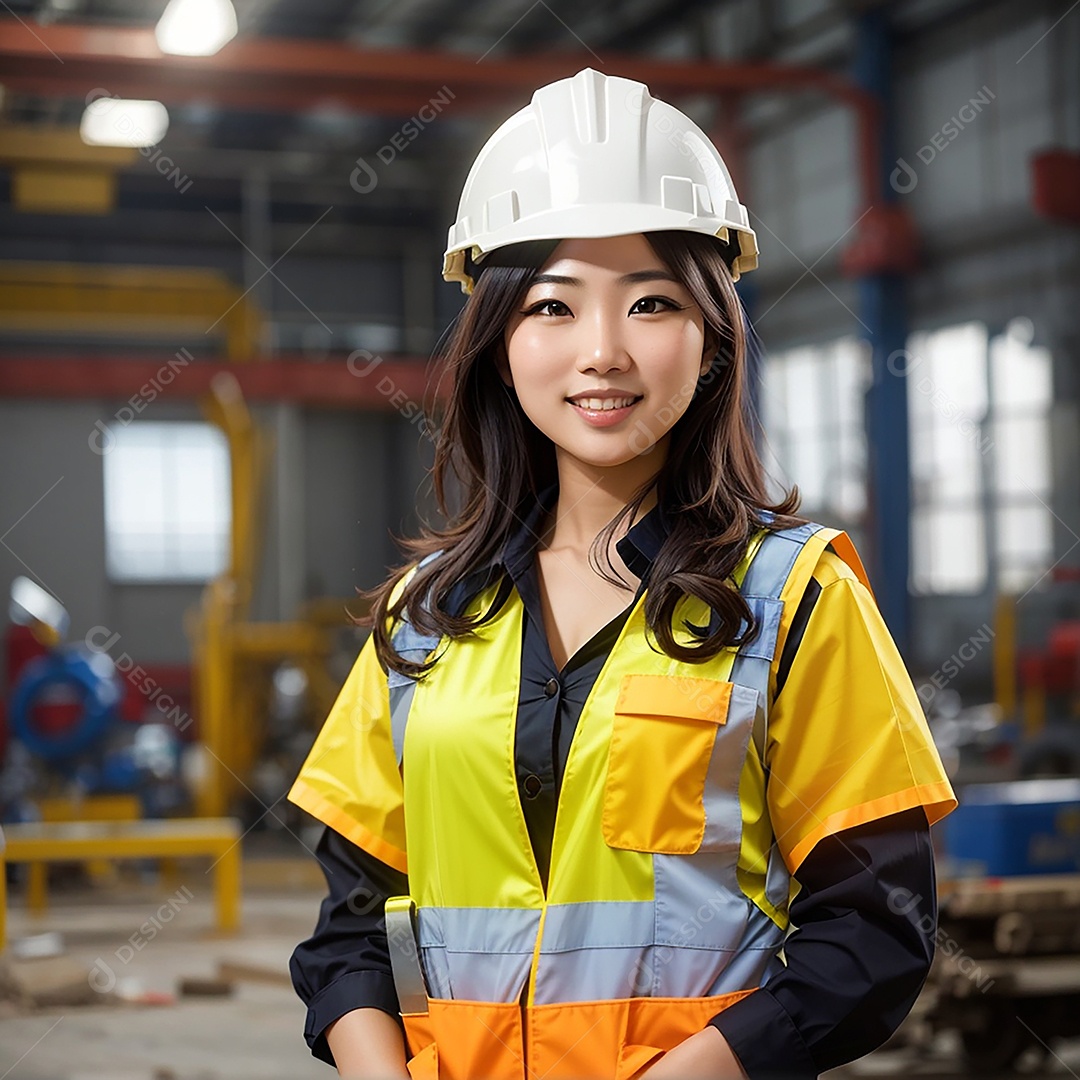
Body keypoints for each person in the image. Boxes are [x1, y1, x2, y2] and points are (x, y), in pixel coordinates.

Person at [288, 67, 957, 1080]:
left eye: (649, 302)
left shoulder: (795, 599)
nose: (602, 352)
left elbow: (874, 930)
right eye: (554, 308)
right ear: (500, 344)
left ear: (712, 341)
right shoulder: (420, 624)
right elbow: (349, 933)